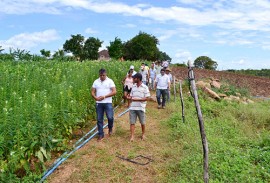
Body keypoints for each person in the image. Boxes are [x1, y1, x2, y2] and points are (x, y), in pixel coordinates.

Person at [91, 68, 117, 141]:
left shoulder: (110, 81)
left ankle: (110, 128)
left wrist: (104, 96)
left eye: (103, 75)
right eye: (101, 75)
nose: (102, 77)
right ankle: (101, 134)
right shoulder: (96, 81)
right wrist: (95, 97)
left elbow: (114, 91)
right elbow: (92, 91)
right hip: (99, 103)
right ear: (99, 75)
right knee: (99, 119)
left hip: (108, 102)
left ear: (106, 74)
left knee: (110, 117)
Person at [126, 73, 150, 142]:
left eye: (134, 78)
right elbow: (131, 96)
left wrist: (136, 99)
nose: (133, 79)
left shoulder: (145, 87)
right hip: (133, 107)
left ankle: (143, 134)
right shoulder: (133, 87)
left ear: (138, 79)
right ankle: (132, 136)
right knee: (132, 122)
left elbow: (147, 98)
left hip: (141, 108)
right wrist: (129, 97)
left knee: (142, 122)